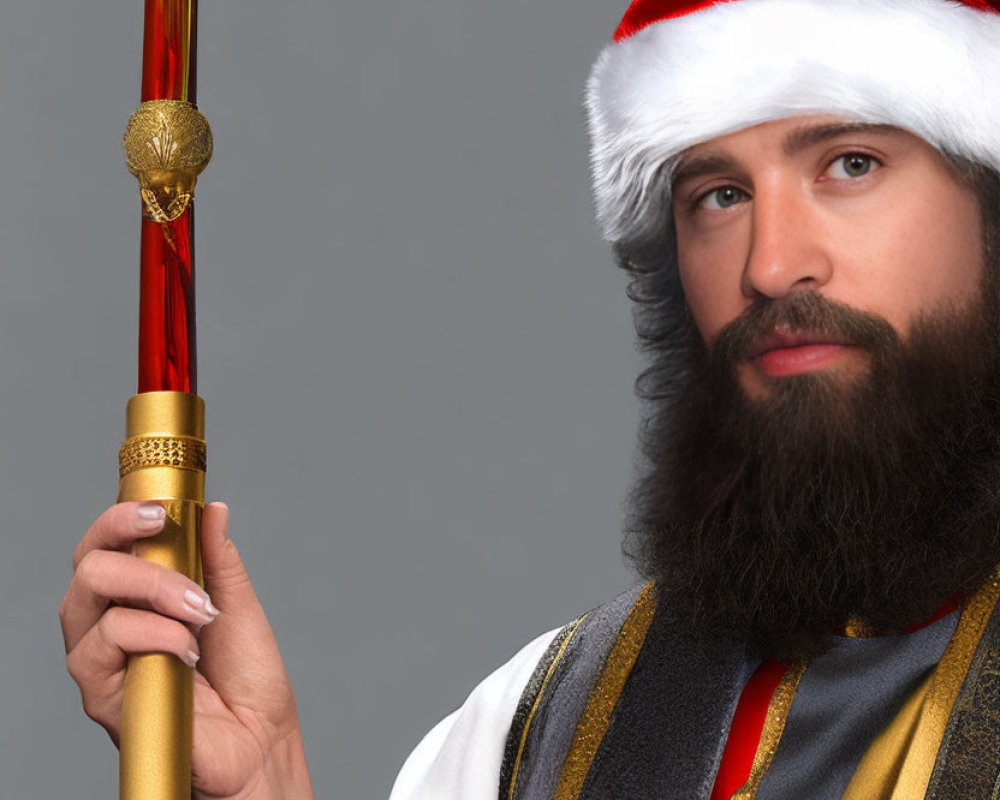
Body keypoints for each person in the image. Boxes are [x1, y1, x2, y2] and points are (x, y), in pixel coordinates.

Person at [60, 0, 1000, 797]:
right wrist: (267, 779)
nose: (771, 263)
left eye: (850, 164)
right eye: (718, 195)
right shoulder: (534, 733)